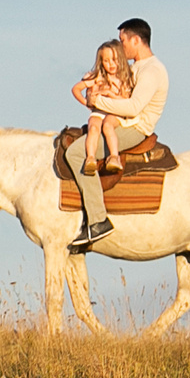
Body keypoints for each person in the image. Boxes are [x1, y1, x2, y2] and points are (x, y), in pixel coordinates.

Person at [65, 18, 166, 251]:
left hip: (135, 127)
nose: (121, 48)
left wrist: (97, 100)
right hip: (122, 121)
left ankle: (98, 219)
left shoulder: (151, 70)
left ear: (136, 40)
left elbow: (133, 107)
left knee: (76, 153)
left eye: (123, 41)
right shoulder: (135, 67)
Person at [76, 39, 136, 177]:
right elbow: (76, 89)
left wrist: (109, 94)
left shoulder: (124, 79)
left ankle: (114, 157)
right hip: (98, 112)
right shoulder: (96, 78)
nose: (111, 64)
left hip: (115, 112)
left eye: (114, 60)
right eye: (106, 61)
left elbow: (126, 101)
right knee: (93, 128)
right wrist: (86, 101)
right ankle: (90, 158)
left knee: (108, 126)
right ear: (101, 62)